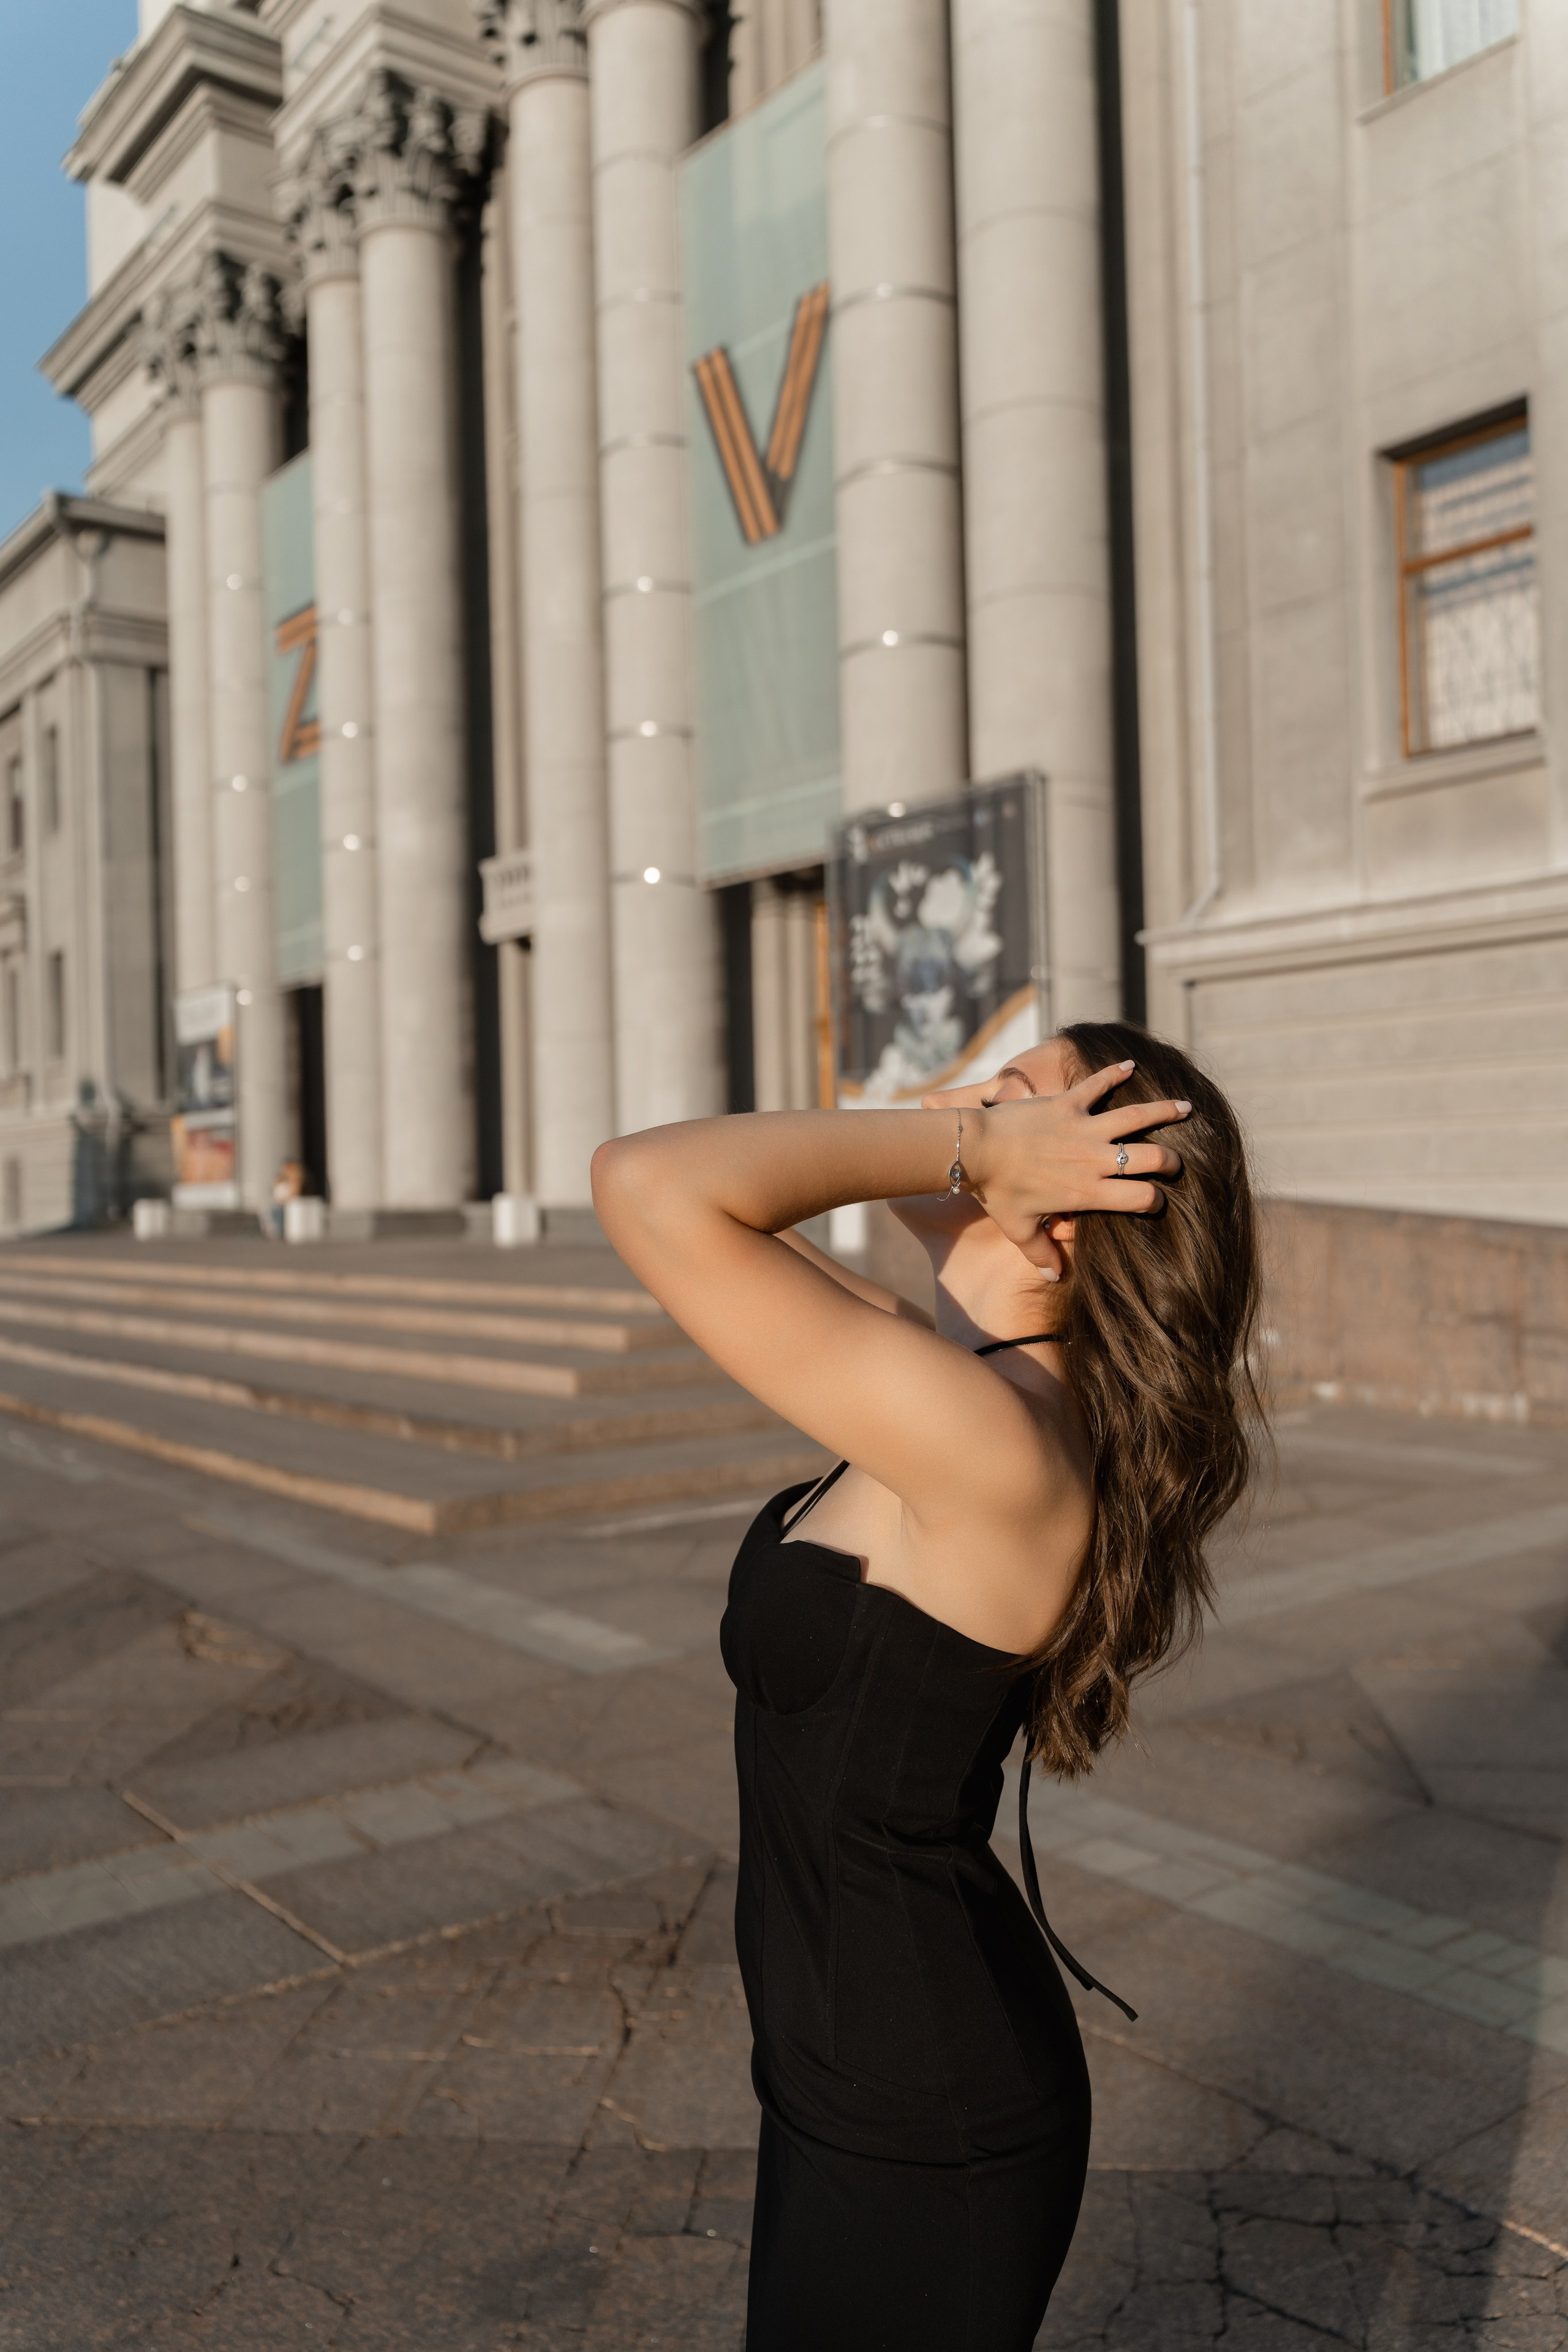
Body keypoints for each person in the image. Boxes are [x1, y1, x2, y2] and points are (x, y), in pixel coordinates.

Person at [592, 1018, 1263, 2352]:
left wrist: (967, 1152)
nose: (949, 1105)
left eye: (1009, 1101)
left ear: (1074, 1198)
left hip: (919, 2106)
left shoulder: (996, 1445)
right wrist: (983, 1143)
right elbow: (704, 1199)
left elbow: (646, 1183)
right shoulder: (940, 1380)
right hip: (849, 2065)